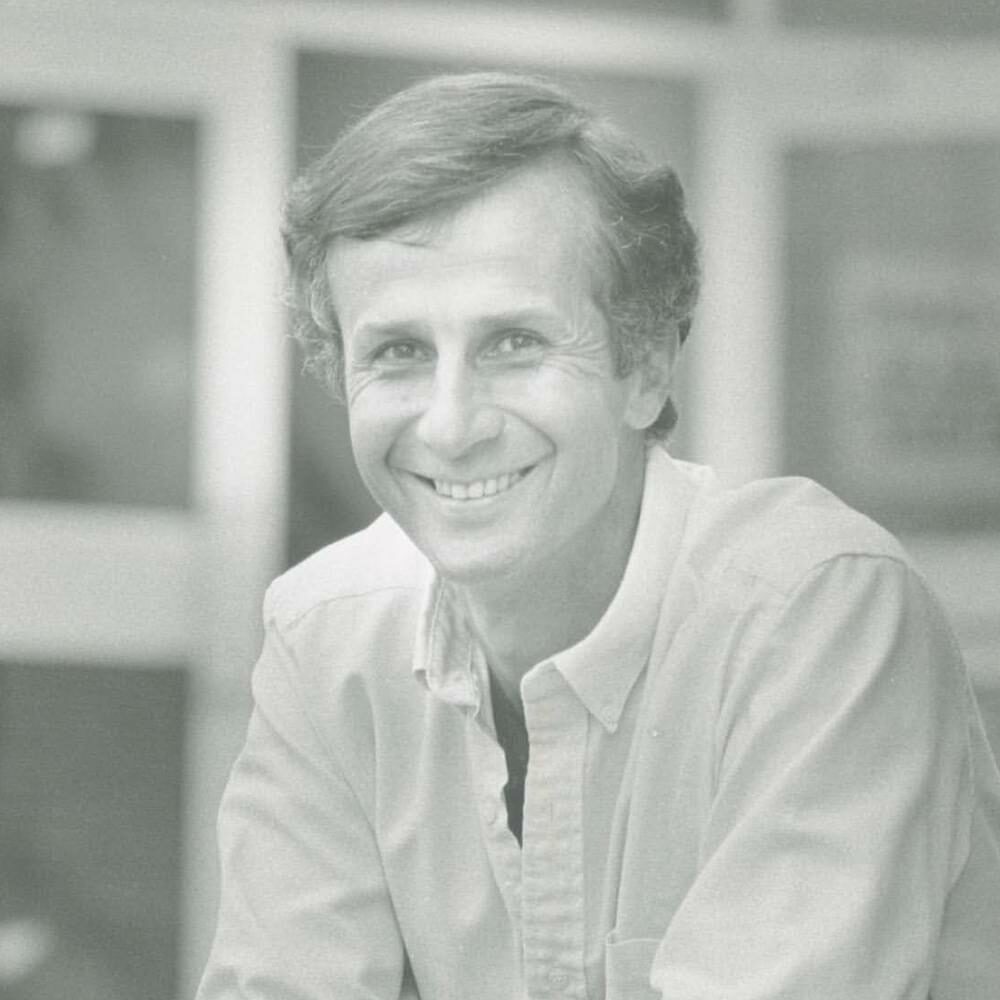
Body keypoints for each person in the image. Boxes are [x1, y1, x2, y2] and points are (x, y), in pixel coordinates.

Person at [196, 72, 1000, 999]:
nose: (450, 426)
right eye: (398, 352)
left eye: (515, 343)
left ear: (646, 369)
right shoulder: (326, 636)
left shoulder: (816, 611)